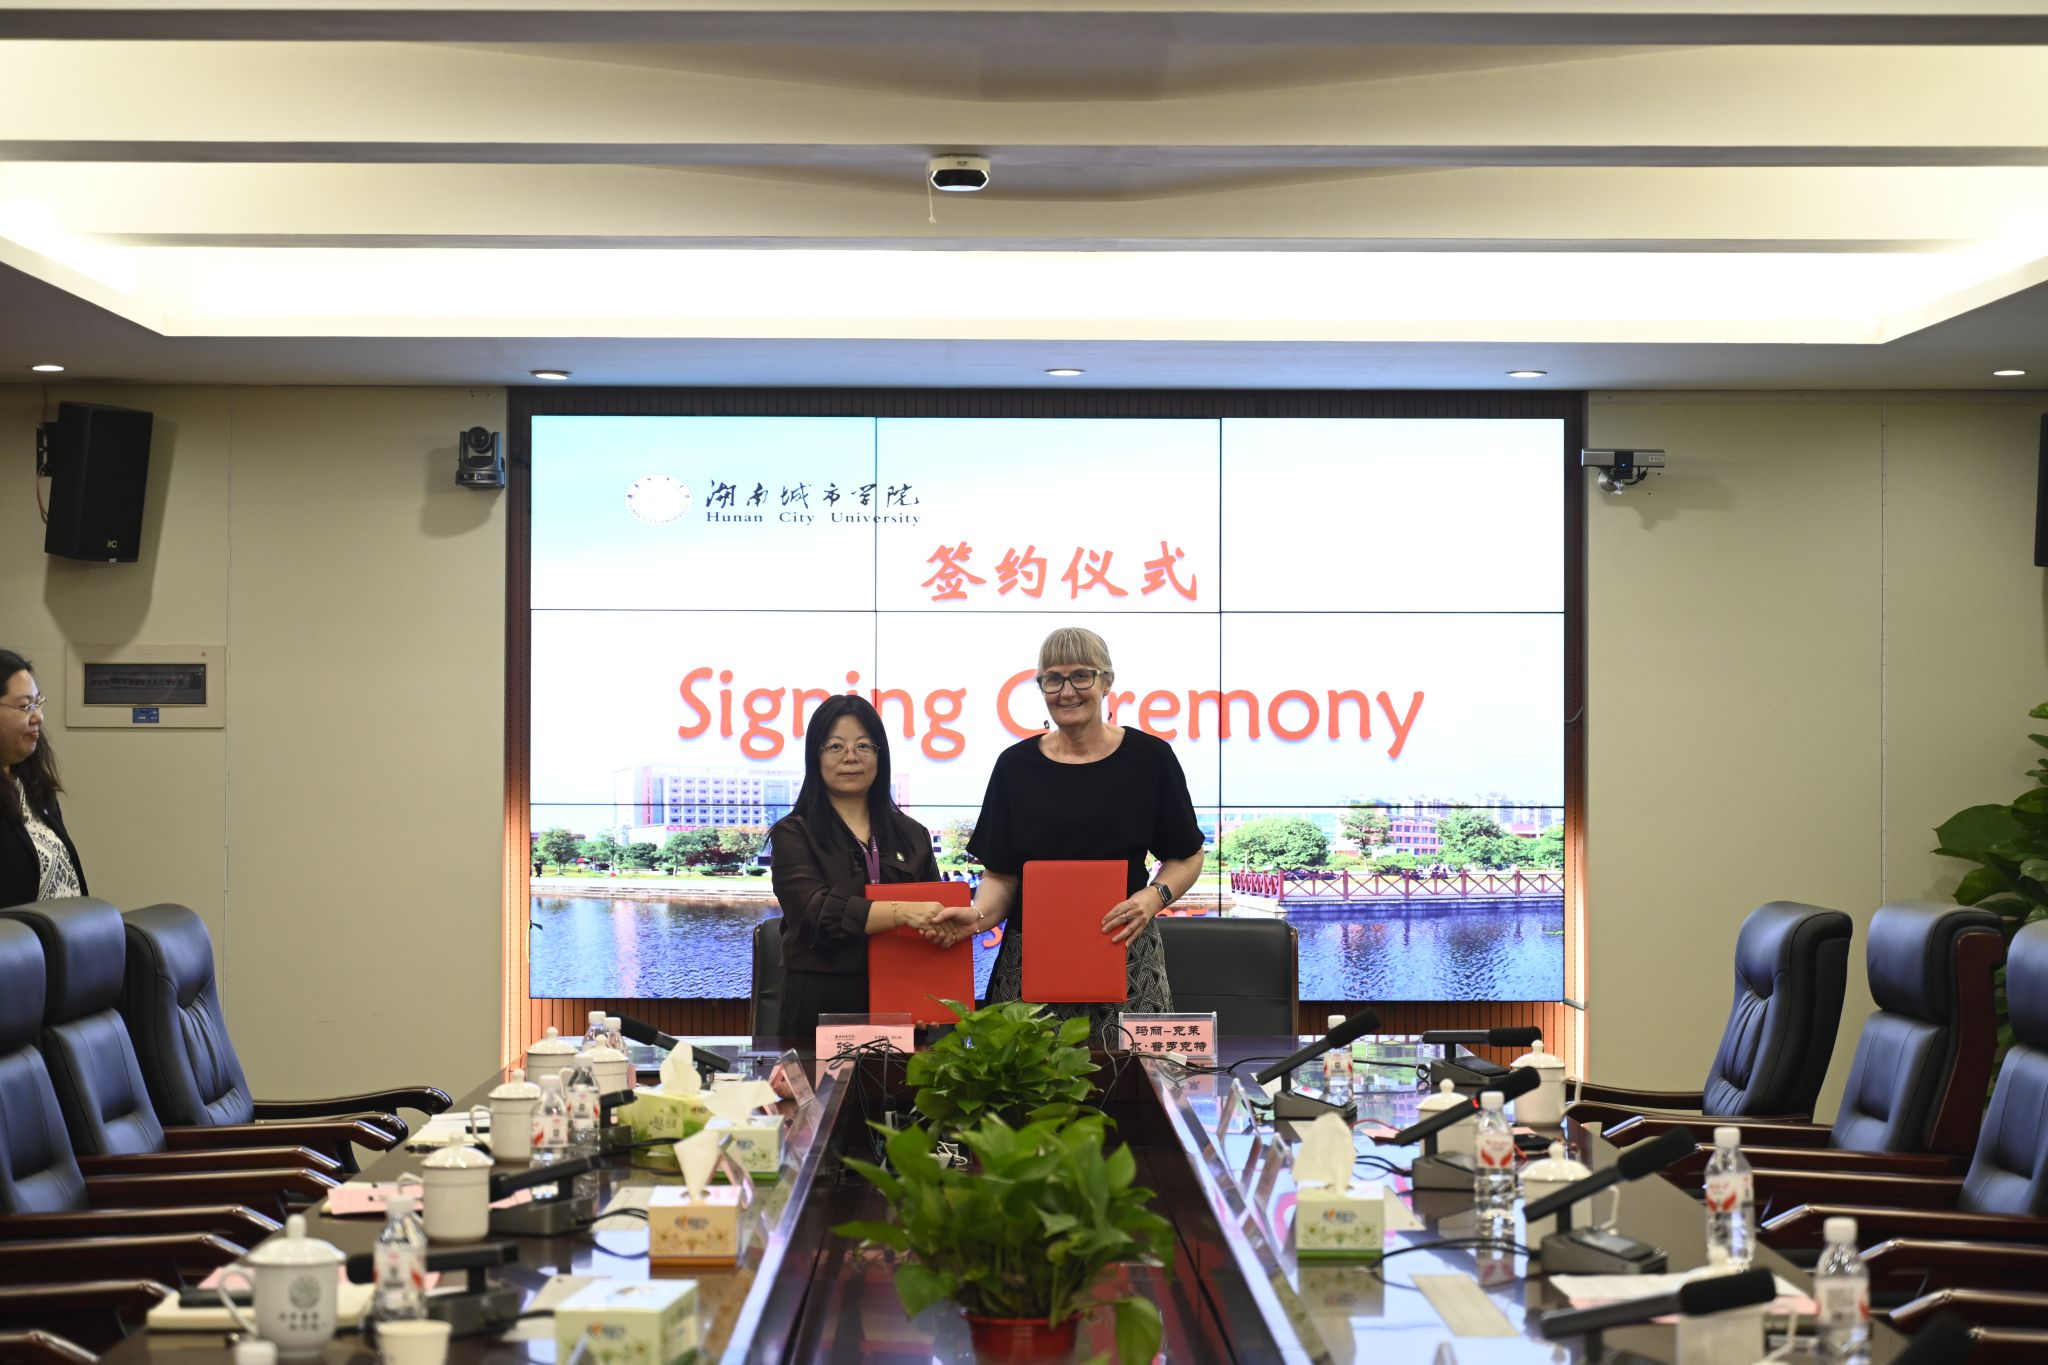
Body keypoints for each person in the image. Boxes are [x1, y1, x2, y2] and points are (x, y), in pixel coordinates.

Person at [937, 627, 1205, 1040]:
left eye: (1081, 676)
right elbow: (1001, 876)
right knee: (1023, 1077)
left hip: (1126, 952)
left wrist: (1153, 898)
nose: (1067, 692)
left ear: (1106, 682)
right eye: (1053, 679)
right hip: (1032, 962)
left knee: (1138, 1074)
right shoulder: (1014, 766)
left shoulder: (1150, 758)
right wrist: (976, 917)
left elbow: (1187, 855)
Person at [768, 694, 948, 1046]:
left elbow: (936, 919)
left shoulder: (913, 835)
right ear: (815, 757)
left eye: (864, 746)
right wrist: (902, 913)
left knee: (901, 1083)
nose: (850, 756)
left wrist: (931, 991)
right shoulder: (794, 833)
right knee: (821, 1086)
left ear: (881, 756)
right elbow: (817, 914)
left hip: (904, 1001)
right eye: (835, 746)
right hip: (821, 1005)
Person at [0, 649, 85, 908]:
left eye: (37, 703)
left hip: (62, 932)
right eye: (25, 706)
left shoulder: (32, 788)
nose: (38, 717)